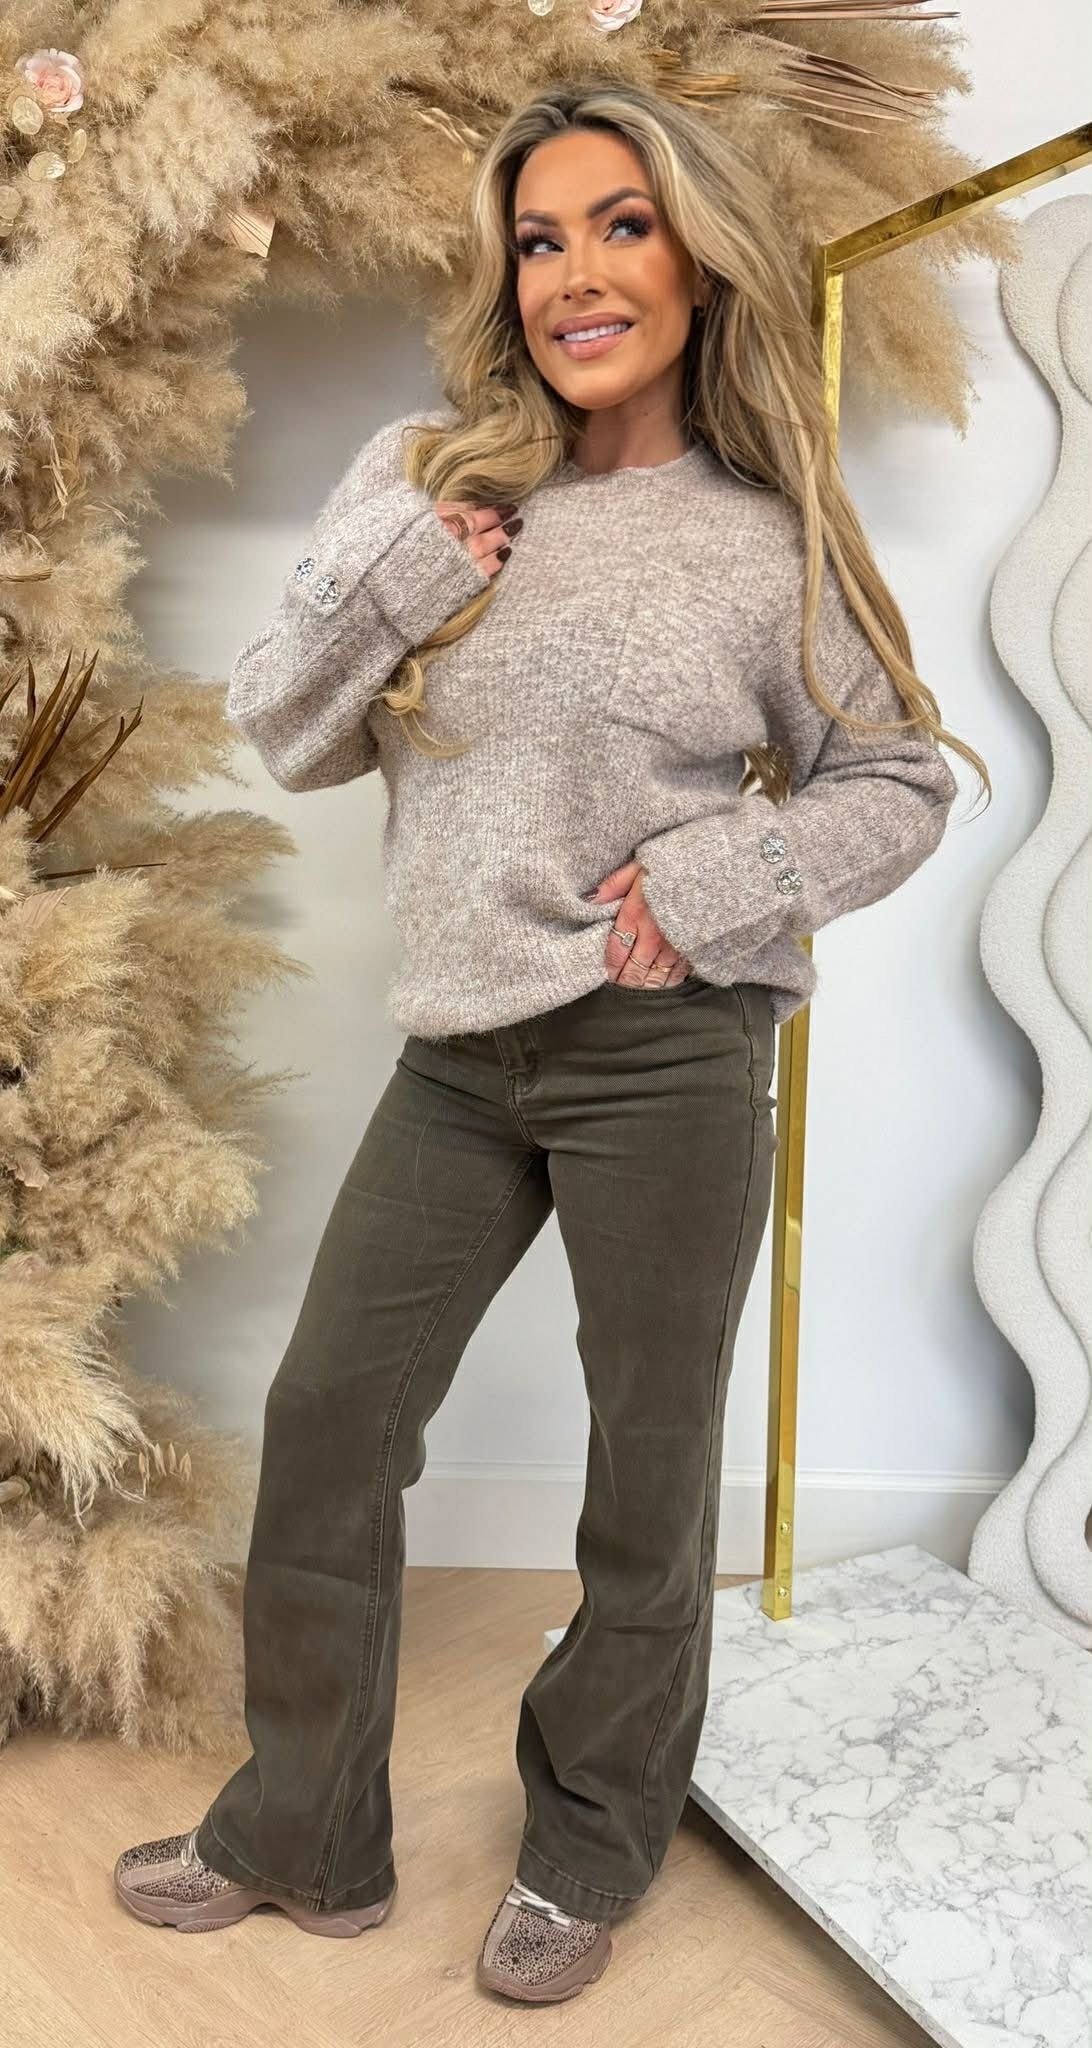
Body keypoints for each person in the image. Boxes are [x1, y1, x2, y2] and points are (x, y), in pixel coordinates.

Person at [113, 79, 984, 2004]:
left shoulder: (765, 538)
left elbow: (901, 782)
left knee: (646, 1476)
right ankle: (303, 1831)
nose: (577, 273)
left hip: (664, 1054)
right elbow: (284, 724)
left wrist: (719, 878)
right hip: (457, 1055)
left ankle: (590, 1845)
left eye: (621, 226)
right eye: (539, 239)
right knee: (330, 1424)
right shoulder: (426, 474)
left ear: (700, 262)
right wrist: (424, 569)